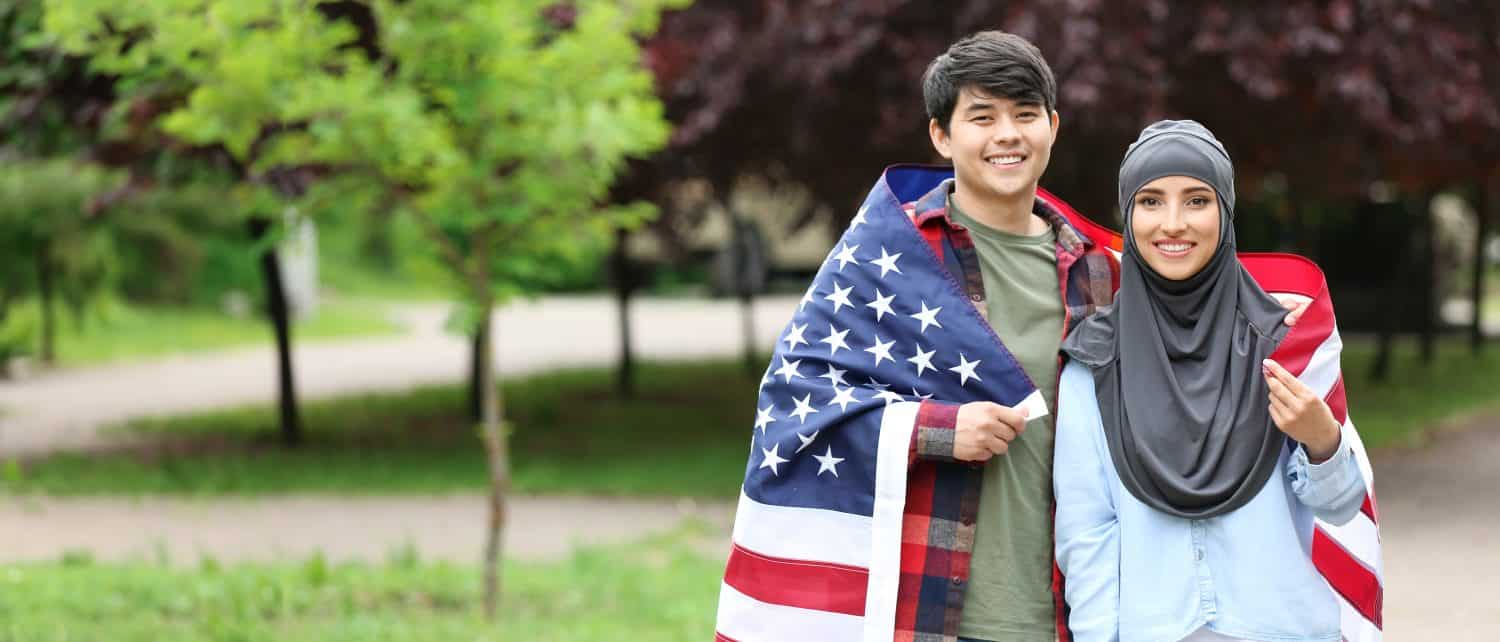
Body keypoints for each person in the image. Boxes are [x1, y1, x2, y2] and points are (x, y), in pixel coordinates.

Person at [1053, 120, 1369, 642]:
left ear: (1225, 211)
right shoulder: (1094, 360)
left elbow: (1341, 508)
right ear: (1128, 217)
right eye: (1150, 202)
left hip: (1282, 628)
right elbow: (1088, 534)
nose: (1172, 223)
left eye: (1197, 201)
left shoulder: (1285, 341)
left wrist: (1322, 441)